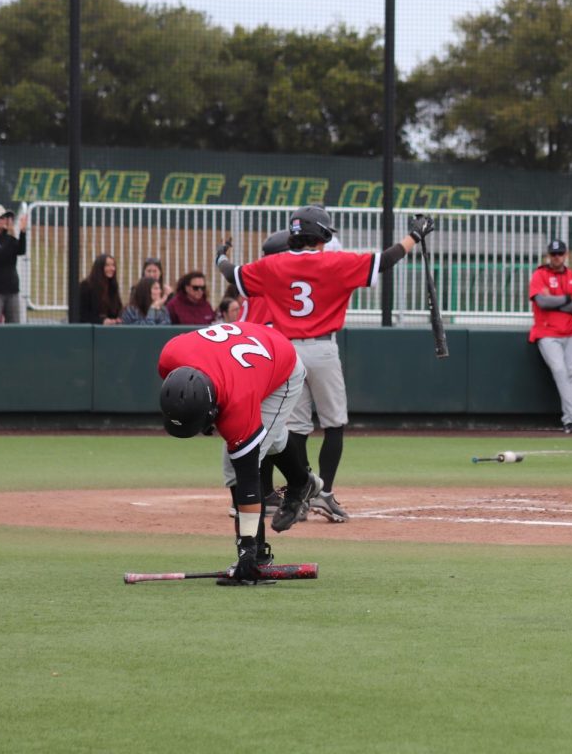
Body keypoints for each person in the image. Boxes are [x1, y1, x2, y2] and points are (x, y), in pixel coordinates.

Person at [216, 205, 435, 524]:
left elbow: (231, 273)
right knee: (334, 423)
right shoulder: (334, 261)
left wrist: (219, 256)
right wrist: (415, 235)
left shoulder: (272, 264)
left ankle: (300, 491)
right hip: (322, 348)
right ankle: (325, 492)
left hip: (287, 352)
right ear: (321, 235)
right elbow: (385, 260)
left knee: (297, 428)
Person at [158, 320, 317, 585]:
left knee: (238, 463)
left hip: (281, 365)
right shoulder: (170, 359)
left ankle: (259, 558)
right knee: (271, 438)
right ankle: (302, 483)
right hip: (247, 354)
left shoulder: (238, 406)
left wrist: (246, 549)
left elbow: (247, 479)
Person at [529, 239, 572, 433]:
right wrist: (565, 299)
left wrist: (555, 300)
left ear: (565, 255)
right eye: (553, 254)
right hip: (546, 331)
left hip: (570, 330)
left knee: (571, 374)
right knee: (560, 370)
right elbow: (542, 301)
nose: (557, 257)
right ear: (549, 255)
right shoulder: (540, 274)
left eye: (560, 254)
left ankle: (568, 420)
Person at [77, 253, 122, 325]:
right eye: (107, 265)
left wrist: (116, 320)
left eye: (113, 265)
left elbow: (117, 310)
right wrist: (102, 321)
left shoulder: (113, 287)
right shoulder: (86, 286)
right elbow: (82, 314)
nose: (112, 268)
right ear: (99, 267)